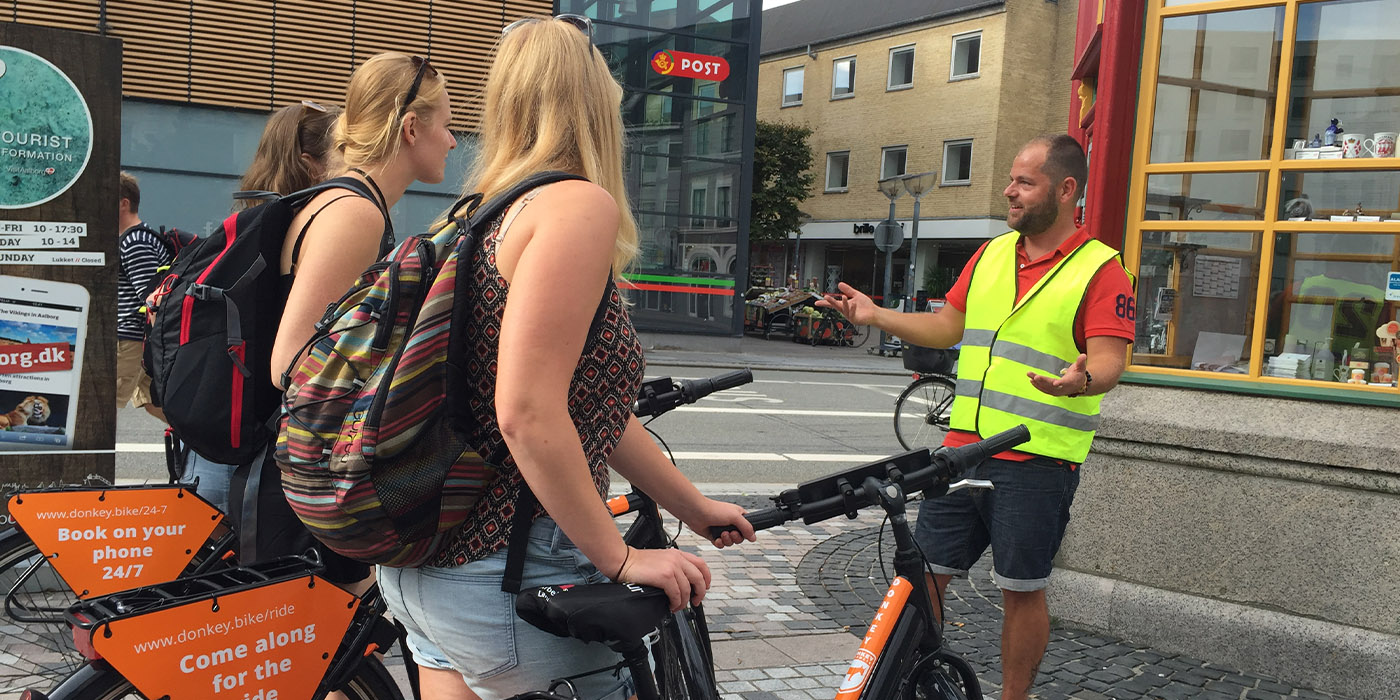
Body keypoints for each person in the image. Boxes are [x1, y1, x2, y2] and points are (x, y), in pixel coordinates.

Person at [374, 17, 756, 700]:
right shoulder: (574, 206)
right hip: (511, 573)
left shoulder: (474, 217)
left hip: (424, 572)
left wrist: (692, 505)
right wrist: (619, 557)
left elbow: (589, 412)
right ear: (596, 100)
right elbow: (526, 412)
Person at [818, 135, 1135, 700]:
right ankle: (916, 683)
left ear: (1066, 190)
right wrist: (876, 315)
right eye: (1011, 179)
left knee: (1021, 589)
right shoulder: (991, 254)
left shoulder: (1101, 269)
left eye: (1025, 182)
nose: (1009, 191)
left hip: (1037, 459)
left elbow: (1110, 360)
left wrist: (1082, 380)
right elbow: (947, 328)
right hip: (961, 454)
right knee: (923, 578)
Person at [177, 98, 344, 514]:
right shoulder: (313, 230)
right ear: (311, 165)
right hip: (254, 437)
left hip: (212, 424)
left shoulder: (248, 226)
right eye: (343, 150)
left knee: (203, 549)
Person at [115, 172, 171, 423]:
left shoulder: (135, 242)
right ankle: (206, 443)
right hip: (140, 339)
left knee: (100, 403)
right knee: (152, 403)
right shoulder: (136, 238)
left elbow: (150, 297)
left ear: (124, 203)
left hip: (131, 339)